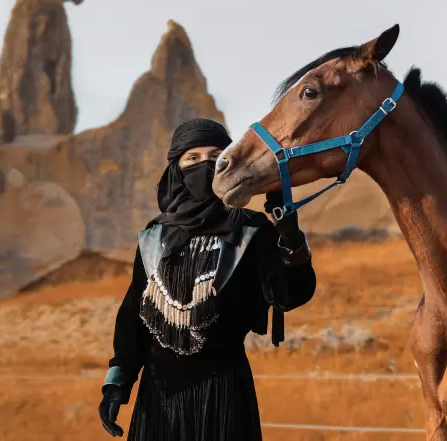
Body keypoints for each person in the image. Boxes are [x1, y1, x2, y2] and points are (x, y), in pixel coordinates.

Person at [98, 118, 317, 441]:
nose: (204, 165)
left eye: (215, 156)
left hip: (223, 395)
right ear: (176, 168)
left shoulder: (251, 230)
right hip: (157, 398)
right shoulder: (153, 236)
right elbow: (134, 316)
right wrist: (117, 382)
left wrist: (289, 236)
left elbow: (291, 293)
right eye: (192, 158)